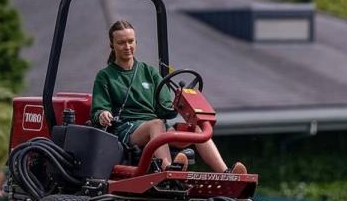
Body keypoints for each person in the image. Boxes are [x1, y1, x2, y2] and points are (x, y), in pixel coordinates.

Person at [91, 19, 246, 174]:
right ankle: (168, 169)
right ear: (112, 45)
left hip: (156, 128)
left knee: (196, 128)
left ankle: (226, 173)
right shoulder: (105, 76)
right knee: (157, 124)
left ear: (136, 42)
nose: (127, 47)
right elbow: (99, 110)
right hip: (126, 130)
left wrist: (179, 104)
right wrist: (103, 114)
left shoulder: (149, 72)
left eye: (130, 41)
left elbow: (166, 110)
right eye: (121, 43)